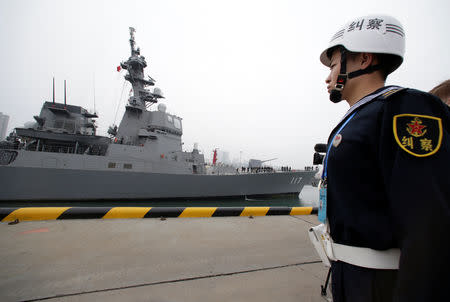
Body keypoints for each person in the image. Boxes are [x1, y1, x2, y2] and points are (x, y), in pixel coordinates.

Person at [313, 15, 450, 302]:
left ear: (363, 59)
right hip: (350, 277)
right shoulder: (363, 116)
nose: (328, 76)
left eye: (335, 63)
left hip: (381, 285)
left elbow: (428, 226)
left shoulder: (405, 109)